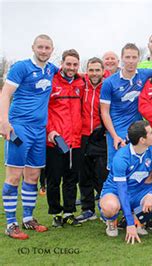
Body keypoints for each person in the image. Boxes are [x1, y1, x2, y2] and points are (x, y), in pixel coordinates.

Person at [1, 34, 58, 239]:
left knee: (33, 176)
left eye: (47, 48)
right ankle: (10, 223)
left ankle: (27, 219)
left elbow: (70, 76)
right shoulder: (21, 67)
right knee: (14, 176)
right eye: (40, 47)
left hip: (39, 130)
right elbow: (5, 93)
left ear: (52, 50)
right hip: (20, 128)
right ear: (33, 47)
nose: (43, 51)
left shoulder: (52, 69)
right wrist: (4, 122)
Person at [99, 121, 152, 243]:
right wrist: (129, 224)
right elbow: (122, 191)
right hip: (116, 191)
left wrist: (151, 194)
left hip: (139, 191)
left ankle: (139, 220)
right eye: (150, 133)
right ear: (142, 140)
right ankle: (112, 221)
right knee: (110, 207)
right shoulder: (121, 158)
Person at [100, 43, 152, 170]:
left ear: (138, 58)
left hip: (138, 130)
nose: (131, 61)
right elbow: (104, 112)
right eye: (128, 57)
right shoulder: (109, 82)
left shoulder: (145, 74)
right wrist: (114, 135)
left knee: (138, 168)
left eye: (134, 57)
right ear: (122, 58)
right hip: (117, 131)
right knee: (118, 169)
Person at [46, 49, 85, 228]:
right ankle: (55, 213)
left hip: (75, 140)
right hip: (56, 139)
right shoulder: (51, 82)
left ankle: (69, 212)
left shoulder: (81, 83)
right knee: (54, 179)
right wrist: (50, 131)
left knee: (71, 178)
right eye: (68, 64)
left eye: (75, 64)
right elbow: (42, 109)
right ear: (62, 63)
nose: (71, 67)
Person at [77, 57, 109, 223]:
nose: (94, 73)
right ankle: (87, 209)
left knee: (101, 174)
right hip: (82, 135)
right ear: (87, 71)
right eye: (91, 70)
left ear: (103, 71)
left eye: (97, 70)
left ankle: (106, 208)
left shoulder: (107, 86)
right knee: (84, 174)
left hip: (100, 136)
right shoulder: (81, 86)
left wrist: (106, 130)